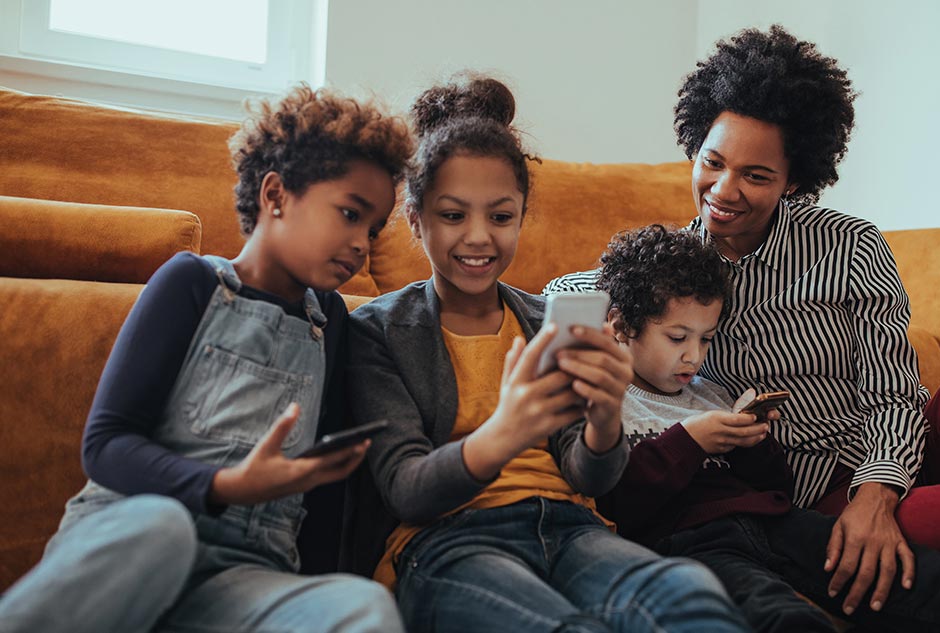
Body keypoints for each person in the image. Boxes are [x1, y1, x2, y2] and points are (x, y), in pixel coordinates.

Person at [545, 25, 940, 611]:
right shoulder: (671, 276)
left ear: (794, 179)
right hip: (802, 505)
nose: (723, 190)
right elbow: (565, 292)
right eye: (713, 162)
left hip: (886, 467)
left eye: (756, 175)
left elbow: (894, 393)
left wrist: (875, 494)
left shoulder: (848, 244)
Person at [0, 85, 414, 633]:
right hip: (134, 548)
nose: (362, 243)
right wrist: (224, 487)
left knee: (361, 606)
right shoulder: (191, 282)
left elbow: (322, 496)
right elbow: (105, 446)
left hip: (240, 581)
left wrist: (309, 587)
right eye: (349, 213)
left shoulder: (332, 320)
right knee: (163, 526)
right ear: (276, 195)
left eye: (373, 227)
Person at [345, 74, 750, 633]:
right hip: (451, 542)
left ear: (521, 216)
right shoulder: (376, 331)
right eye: (453, 215)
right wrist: (506, 432)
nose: (480, 237)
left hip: (571, 529)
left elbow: (591, 477)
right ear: (416, 220)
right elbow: (407, 489)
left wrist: (605, 418)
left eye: (501, 216)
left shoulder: (543, 318)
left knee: (692, 597)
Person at [595, 223, 940, 632]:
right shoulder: (608, 394)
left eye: (706, 340)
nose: (694, 356)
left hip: (791, 517)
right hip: (716, 539)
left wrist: (753, 440)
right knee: (781, 614)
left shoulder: (711, 392)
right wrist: (690, 440)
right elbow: (614, 497)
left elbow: (773, 488)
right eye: (679, 338)